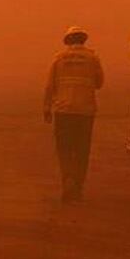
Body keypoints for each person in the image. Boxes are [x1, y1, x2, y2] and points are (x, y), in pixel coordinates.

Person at [43, 25, 104, 203]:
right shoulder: (93, 59)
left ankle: (67, 179)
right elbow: (99, 83)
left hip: (63, 111)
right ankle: (77, 185)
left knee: (64, 149)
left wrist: (47, 108)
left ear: (67, 41)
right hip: (85, 112)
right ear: (84, 40)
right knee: (82, 150)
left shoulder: (59, 59)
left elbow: (49, 86)